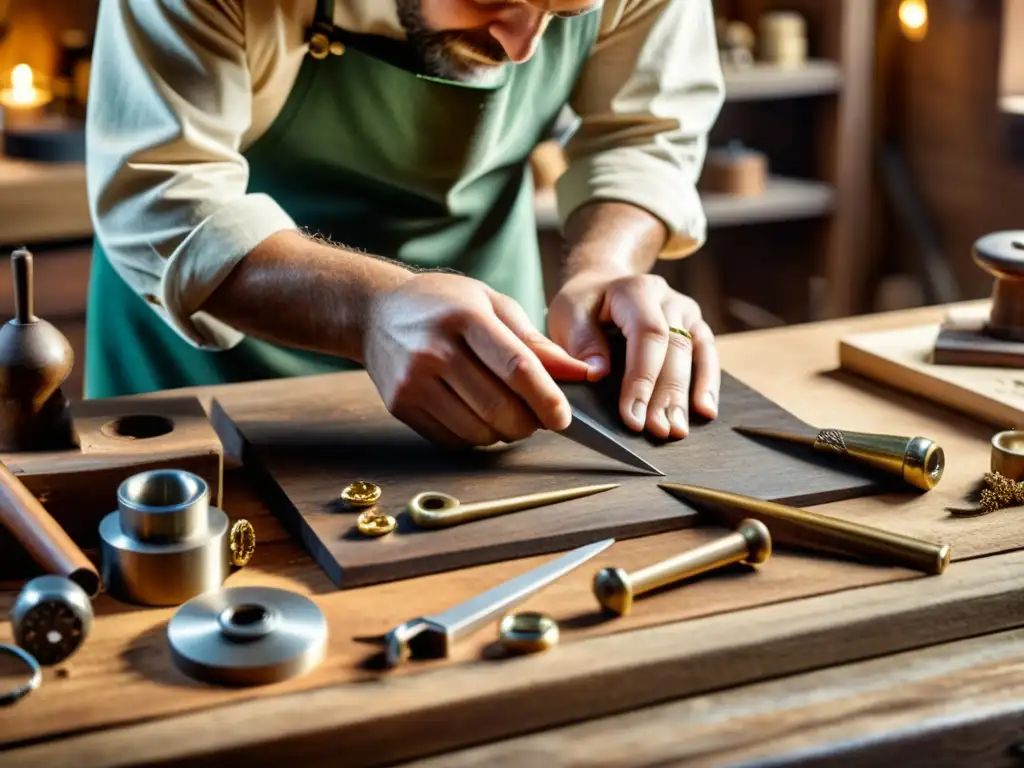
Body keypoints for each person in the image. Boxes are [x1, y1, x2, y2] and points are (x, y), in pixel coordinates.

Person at [85, 0, 726, 450]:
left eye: (563, 16)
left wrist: (605, 267)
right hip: (201, 369)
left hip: (483, 356)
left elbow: (643, 136)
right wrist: (368, 309)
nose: (522, 46)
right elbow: (164, 193)